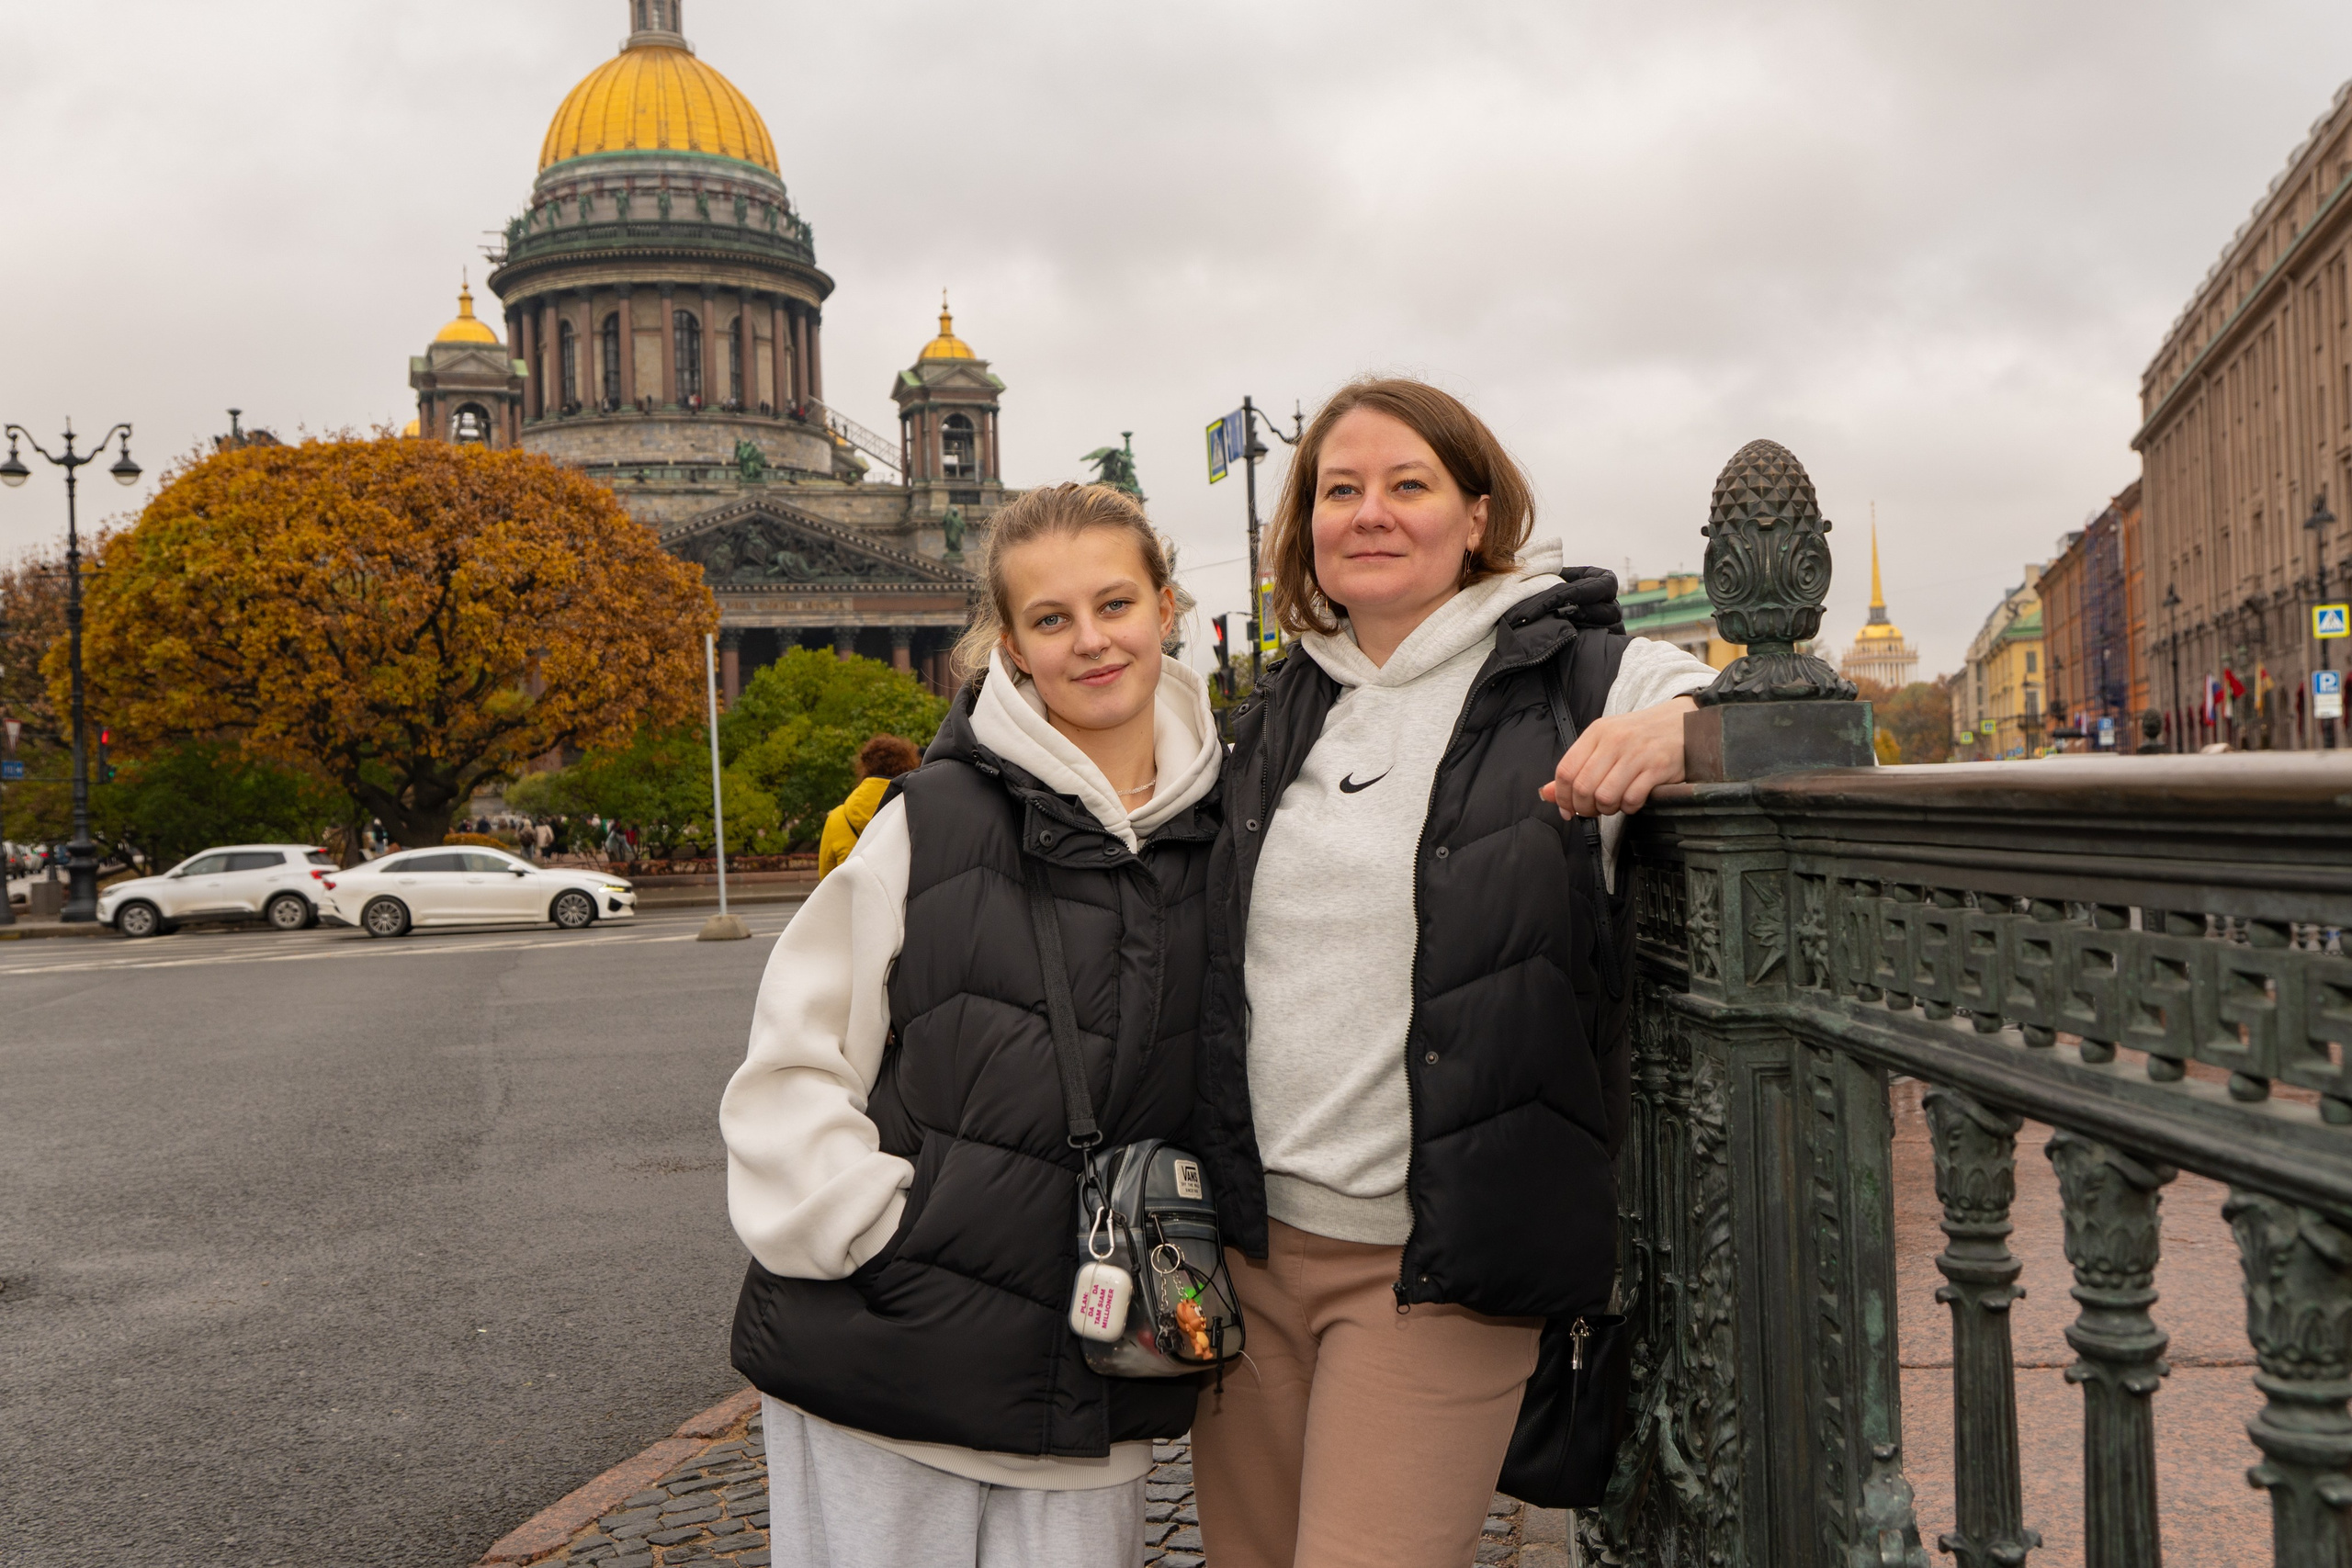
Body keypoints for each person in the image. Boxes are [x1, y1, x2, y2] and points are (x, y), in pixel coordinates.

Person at [1187, 378, 1718, 1568]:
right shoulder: (1282, 706)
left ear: (1477, 513)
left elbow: (1804, 723)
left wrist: (1686, 735)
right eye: (1338, 489)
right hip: (1250, 1252)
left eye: (1407, 484)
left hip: (1436, 1267)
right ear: (1305, 525)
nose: (1368, 512)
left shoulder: (1577, 670)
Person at [721, 482, 1226, 1568]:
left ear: (1166, 608)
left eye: (1115, 604)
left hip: (1091, 1374)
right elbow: (791, 1066)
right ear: (1009, 646)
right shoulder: (929, 823)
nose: (1090, 641)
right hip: (883, 1366)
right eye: (1050, 619)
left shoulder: (1234, 830)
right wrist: (872, 1238)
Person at [815, 734, 923, 878]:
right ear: (910, 765)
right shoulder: (920, 812)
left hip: (853, 900)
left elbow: (826, 881)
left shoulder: (837, 819)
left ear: (864, 768)